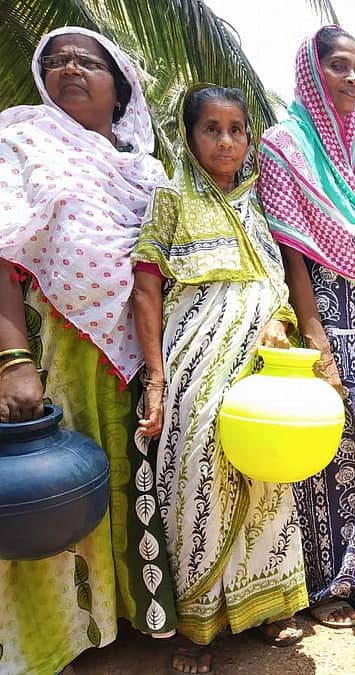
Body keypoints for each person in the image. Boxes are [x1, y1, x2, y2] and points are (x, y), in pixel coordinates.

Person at [0, 27, 178, 674]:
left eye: (88, 61)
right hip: (56, 354)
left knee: (130, 485)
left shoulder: (147, 171)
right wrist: (15, 361)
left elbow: (159, 266)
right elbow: (3, 253)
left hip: (140, 354)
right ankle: (55, 640)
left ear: (120, 83)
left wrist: (158, 370)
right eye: (56, 61)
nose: (70, 69)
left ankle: (124, 616)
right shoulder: (23, 141)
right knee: (46, 494)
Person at [132, 85, 306, 673]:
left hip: (260, 362)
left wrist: (281, 323)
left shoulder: (259, 202)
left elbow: (274, 282)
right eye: (212, 128)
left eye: (237, 129)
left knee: (266, 470)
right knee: (195, 479)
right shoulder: (171, 198)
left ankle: (266, 606)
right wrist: (155, 378)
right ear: (189, 136)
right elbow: (147, 287)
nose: (226, 141)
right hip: (196, 364)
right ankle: (195, 627)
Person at [257, 25, 355, 629]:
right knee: (324, 447)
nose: (351, 79)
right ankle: (320, 582)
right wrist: (314, 335)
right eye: (338, 66)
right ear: (312, 72)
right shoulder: (283, 145)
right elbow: (290, 253)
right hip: (317, 320)